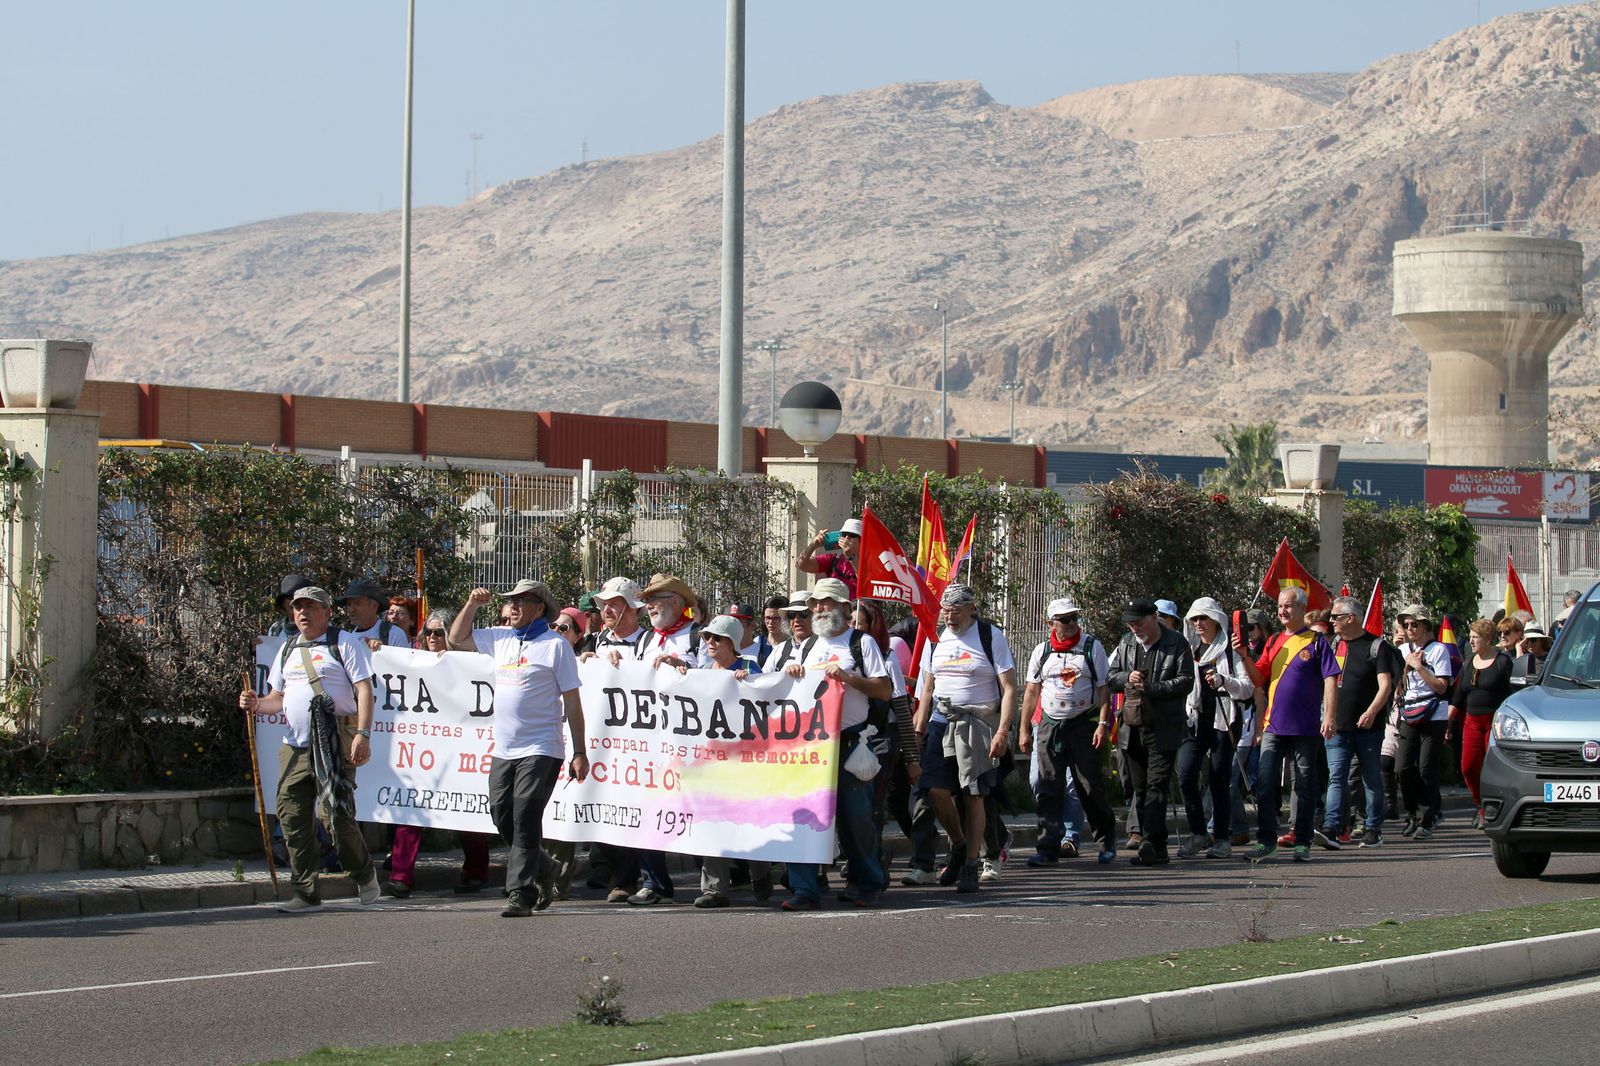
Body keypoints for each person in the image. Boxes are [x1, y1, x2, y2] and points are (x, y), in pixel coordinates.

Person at [447, 579, 589, 917]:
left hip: (542, 747)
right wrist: (472, 604)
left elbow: (572, 702)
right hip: (505, 749)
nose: (512, 607)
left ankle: (520, 893)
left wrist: (579, 751)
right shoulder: (500, 638)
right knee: (501, 813)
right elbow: (456, 639)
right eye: (510, 601)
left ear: (539, 608)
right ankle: (545, 866)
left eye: (521, 601)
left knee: (526, 816)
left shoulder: (555, 646)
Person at [239, 585, 382, 913]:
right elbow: (276, 699)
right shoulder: (288, 648)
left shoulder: (342, 642)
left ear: (327, 612)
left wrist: (362, 733)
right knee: (291, 816)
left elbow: (364, 690)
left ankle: (363, 874)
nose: (302, 612)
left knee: (336, 817)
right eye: (298, 607)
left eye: (310, 607)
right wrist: (255, 704)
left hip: (332, 745)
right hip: (294, 747)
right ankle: (305, 891)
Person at [781, 578, 893, 908]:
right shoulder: (807, 645)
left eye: (826, 602)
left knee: (854, 818)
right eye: (815, 602)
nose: (819, 608)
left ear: (845, 608)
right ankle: (804, 888)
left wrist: (846, 677)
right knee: (802, 816)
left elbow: (884, 690)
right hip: (809, 745)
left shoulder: (861, 643)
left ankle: (868, 881)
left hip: (849, 743)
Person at [384, 608, 493, 897]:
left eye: (439, 632)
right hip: (422, 752)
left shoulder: (471, 662)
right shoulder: (411, 661)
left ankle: (476, 872)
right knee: (410, 811)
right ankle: (401, 876)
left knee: (466, 814)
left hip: (460, 751)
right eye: (428, 632)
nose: (432, 637)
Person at [1233, 586, 1339, 863]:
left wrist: (1328, 716)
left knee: (1304, 785)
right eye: (1280, 606)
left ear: (1302, 609)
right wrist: (1244, 655)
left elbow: (1330, 679)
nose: (1283, 611)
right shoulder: (1274, 641)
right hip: (1274, 726)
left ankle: (1303, 840)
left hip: (1305, 728)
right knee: (1265, 785)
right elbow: (1258, 678)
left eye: (1289, 606)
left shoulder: (1317, 642)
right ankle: (1266, 841)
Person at [1017, 597, 1118, 866]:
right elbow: (1031, 691)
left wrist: (1102, 724)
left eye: (1074, 618)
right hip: (1050, 725)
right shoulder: (1042, 651)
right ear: (1050, 623)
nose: (1072, 624)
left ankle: (1106, 840)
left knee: (1089, 787)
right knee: (1048, 787)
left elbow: (1103, 690)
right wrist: (1024, 729)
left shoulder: (1091, 647)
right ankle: (1047, 847)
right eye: (1065, 619)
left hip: (1083, 725)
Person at [624, 573, 702, 906]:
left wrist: (683, 666)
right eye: (649, 600)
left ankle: (713, 878)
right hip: (651, 741)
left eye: (656, 599)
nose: (650, 606)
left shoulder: (696, 637)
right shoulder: (644, 641)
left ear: (675, 602)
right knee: (647, 810)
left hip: (689, 743)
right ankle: (653, 882)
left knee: (696, 810)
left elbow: (717, 680)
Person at [1108, 598, 1195, 867]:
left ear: (1154, 617)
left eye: (1138, 622)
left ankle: (1149, 841)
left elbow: (1186, 681)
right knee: (1140, 788)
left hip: (1164, 727)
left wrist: (1153, 688)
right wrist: (1127, 678)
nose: (1134, 628)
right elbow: (1110, 677)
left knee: (1157, 784)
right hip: (1132, 726)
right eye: (1130, 623)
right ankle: (1157, 847)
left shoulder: (1177, 643)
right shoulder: (1126, 643)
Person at [694, 614, 770, 908]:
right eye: (707, 638)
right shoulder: (702, 671)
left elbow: (766, 697)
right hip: (711, 760)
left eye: (717, 638)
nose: (710, 643)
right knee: (711, 821)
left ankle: (761, 876)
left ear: (732, 643)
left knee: (749, 821)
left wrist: (750, 682)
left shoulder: (749, 667)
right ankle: (714, 889)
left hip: (745, 760)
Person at [1176, 598, 1255, 859]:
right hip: (1195, 720)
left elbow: (1247, 687)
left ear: (1215, 620)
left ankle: (1221, 838)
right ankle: (1199, 832)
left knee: (1220, 780)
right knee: (1186, 774)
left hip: (1224, 720)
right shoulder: (1189, 650)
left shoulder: (1230, 650)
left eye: (1203, 619)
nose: (1198, 624)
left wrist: (1223, 681)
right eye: (1194, 619)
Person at [1321, 596, 1397, 850]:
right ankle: (1331, 827)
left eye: (1336, 617)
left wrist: (1372, 712)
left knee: (1370, 778)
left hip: (1368, 729)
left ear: (1351, 618)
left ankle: (1373, 828)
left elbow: (1385, 686)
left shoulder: (1376, 647)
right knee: (1336, 777)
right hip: (1337, 727)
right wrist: (1326, 715)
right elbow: (1326, 683)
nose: (1331, 621)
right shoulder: (1333, 645)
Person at [1393, 603, 1455, 841]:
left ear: (1426, 625)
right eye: (1406, 624)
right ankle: (1412, 812)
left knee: (1427, 768)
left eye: (1414, 624)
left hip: (1433, 714)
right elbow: (1397, 683)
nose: (1409, 628)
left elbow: (1442, 687)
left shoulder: (1438, 650)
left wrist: (1419, 667)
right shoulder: (1403, 650)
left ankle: (1427, 818)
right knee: (1402, 767)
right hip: (1409, 714)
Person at [1453, 618, 1513, 824]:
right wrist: (1448, 721)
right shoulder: (1469, 661)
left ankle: (1494, 807)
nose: (1470, 641)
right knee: (1468, 767)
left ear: (1487, 639)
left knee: (1492, 768)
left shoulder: (1503, 662)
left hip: (1494, 723)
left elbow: (1513, 694)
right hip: (1472, 722)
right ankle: (1480, 804)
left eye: (1475, 637)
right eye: (1470, 637)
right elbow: (1459, 694)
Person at [797, 518, 862, 598]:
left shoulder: (870, 562)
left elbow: (865, 584)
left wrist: (851, 557)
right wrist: (813, 545)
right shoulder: (835, 559)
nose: (846, 538)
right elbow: (802, 565)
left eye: (852, 535)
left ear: (861, 540)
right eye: (844, 534)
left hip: (855, 608)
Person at [339, 579, 411, 651]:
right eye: (348, 604)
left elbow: (403, 661)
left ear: (374, 606)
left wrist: (384, 651)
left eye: (358, 603)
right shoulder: (348, 640)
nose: (352, 610)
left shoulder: (394, 634)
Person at [764, 591, 814, 672]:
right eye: (792, 614)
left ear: (814, 617)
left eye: (803, 613)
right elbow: (763, 680)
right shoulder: (779, 650)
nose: (797, 619)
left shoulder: (823, 647)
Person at [1511, 623, 1552, 687]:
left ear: (1542, 641)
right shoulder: (1523, 657)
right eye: (1527, 641)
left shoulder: (1552, 658)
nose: (1529, 644)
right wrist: (1519, 648)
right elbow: (1520, 676)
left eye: (1533, 640)